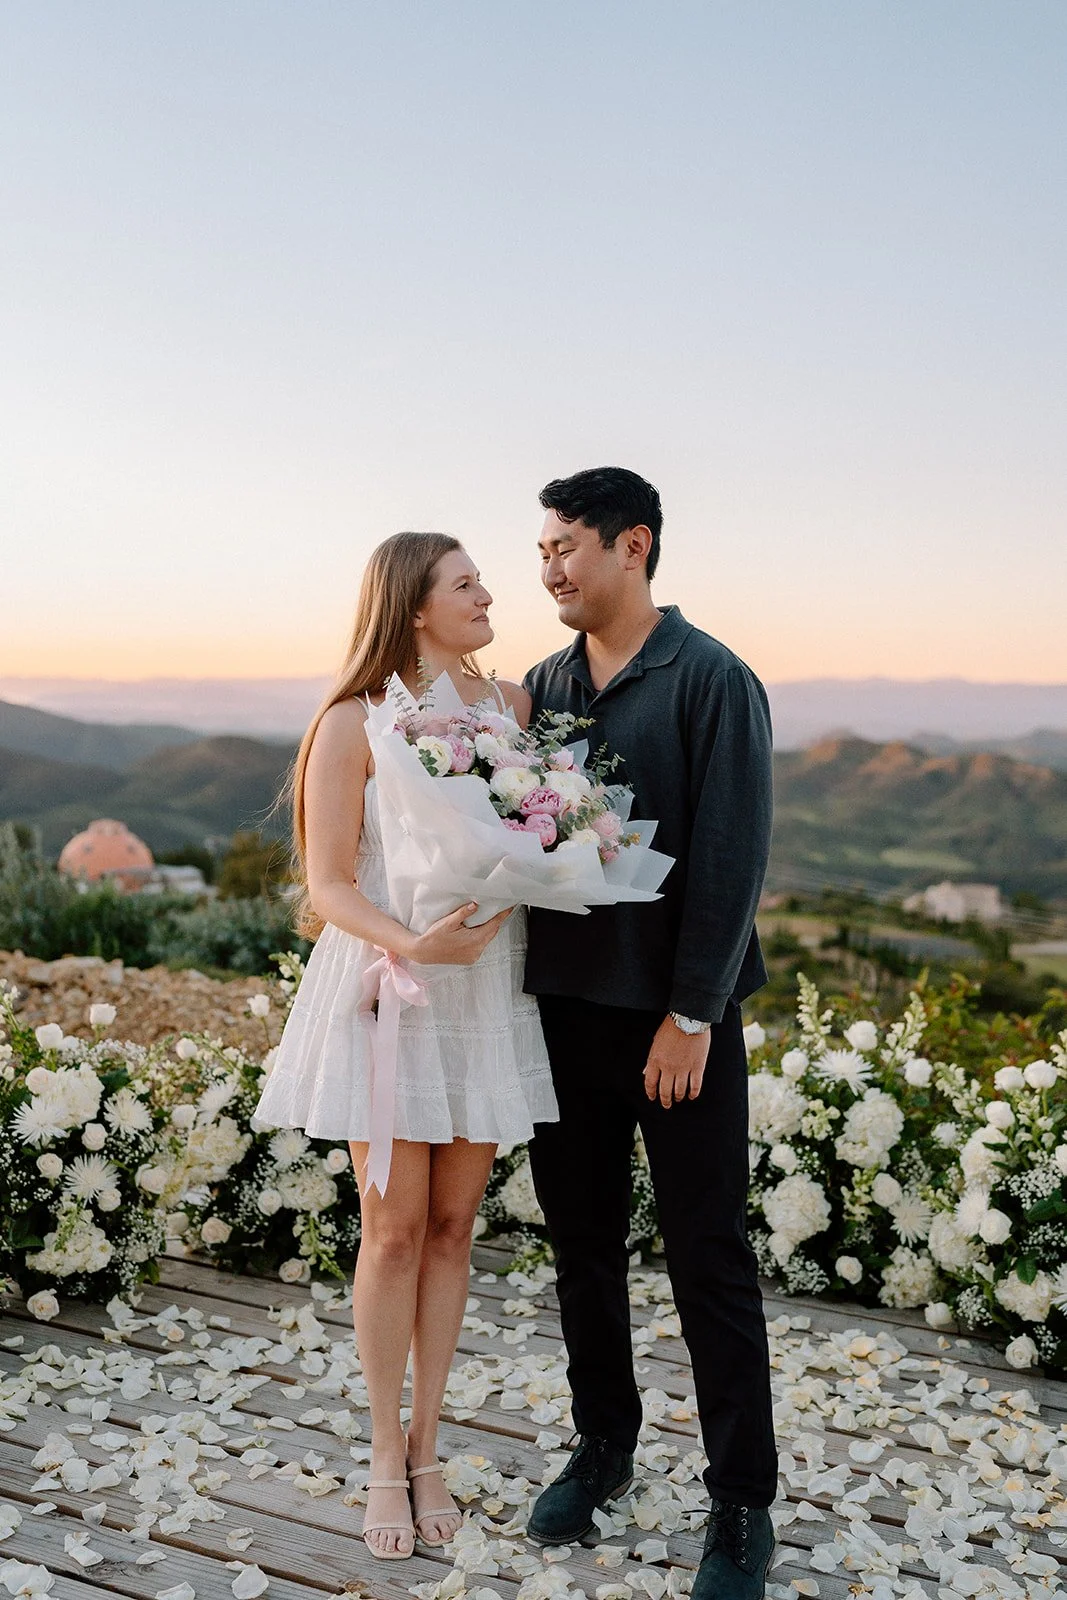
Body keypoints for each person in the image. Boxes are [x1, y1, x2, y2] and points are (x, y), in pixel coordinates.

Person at [254, 531, 557, 1561]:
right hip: (390, 978)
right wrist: (410, 944)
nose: (487, 595)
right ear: (414, 605)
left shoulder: (509, 709)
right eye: (466, 583)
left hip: (482, 985)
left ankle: (431, 1446)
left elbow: (537, 834)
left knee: (452, 1228)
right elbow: (329, 883)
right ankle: (384, 1453)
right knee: (389, 1230)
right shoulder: (347, 721)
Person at [521, 469, 778, 1600]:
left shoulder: (713, 678)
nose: (548, 568)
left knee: (705, 1256)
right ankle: (603, 1446)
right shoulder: (540, 684)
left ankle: (739, 1501)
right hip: (565, 1012)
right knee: (579, 1245)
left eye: (566, 545)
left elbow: (730, 859)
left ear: (633, 546)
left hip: (679, 1025)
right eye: (537, 550)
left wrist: (690, 1015)